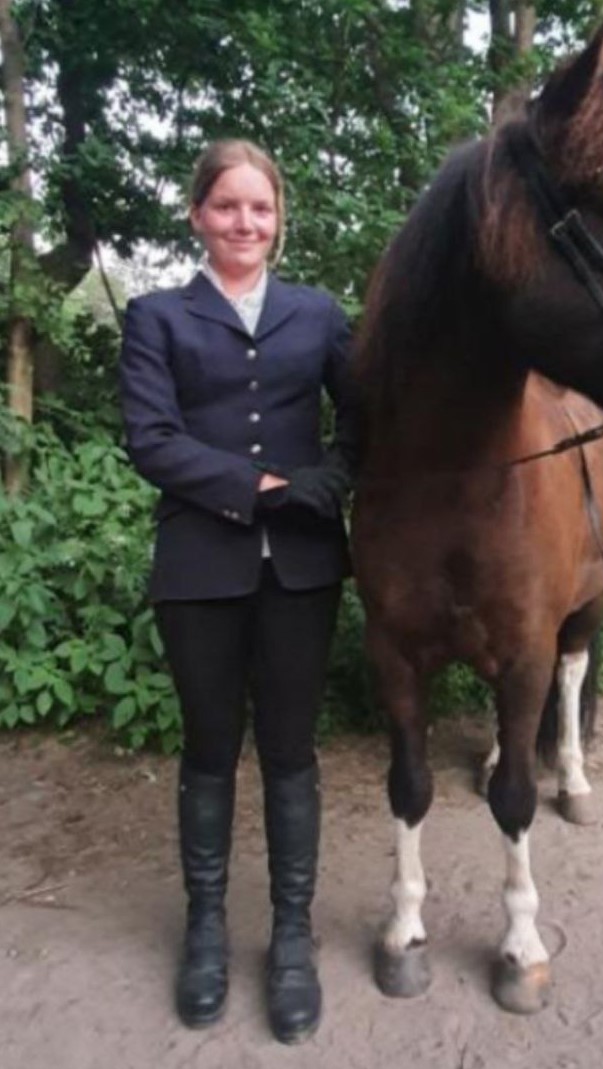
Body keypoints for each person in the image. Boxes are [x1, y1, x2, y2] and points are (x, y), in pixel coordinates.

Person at [119, 139, 360, 1044]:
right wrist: (261, 488)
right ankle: (207, 932)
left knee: (291, 753)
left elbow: (364, 415)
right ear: (197, 215)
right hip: (198, 568)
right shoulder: (157, 317)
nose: (244, 222)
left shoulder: (318, 313)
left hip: (301, 569)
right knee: (210, 750)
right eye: (227, 206)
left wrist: (334, 476)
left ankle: (291, 937)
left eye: (260, 208)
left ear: (278, 219)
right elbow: (151, 439)